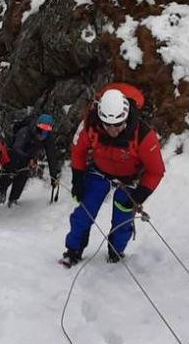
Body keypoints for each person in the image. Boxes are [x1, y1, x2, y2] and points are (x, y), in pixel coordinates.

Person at [60, 83, 165, 267]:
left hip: (130, 179)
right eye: (107, 125)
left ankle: (116, 252)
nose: (113, 130)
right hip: (99, 171)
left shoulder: (144, 136)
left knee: (122, 220)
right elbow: (78, 151)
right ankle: (73, 250)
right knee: (84, 213)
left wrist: (138, 196)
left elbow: (156, 171)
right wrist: (78, 179)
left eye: (117, 125)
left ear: (125, 118)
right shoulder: (90, 125)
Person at [0, 114, 60, 207]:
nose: (45, 130)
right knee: (9, 172)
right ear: (38, 125)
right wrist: (29, 159)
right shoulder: (25, 131)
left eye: (48, 128)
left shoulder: (48, 138)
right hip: (15, 154)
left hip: (29, 156)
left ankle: (13, 199)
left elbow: (51, 156)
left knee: (23, 175)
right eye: (43, 126)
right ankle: (2, 190)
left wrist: (53, 176)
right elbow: (16, 148)